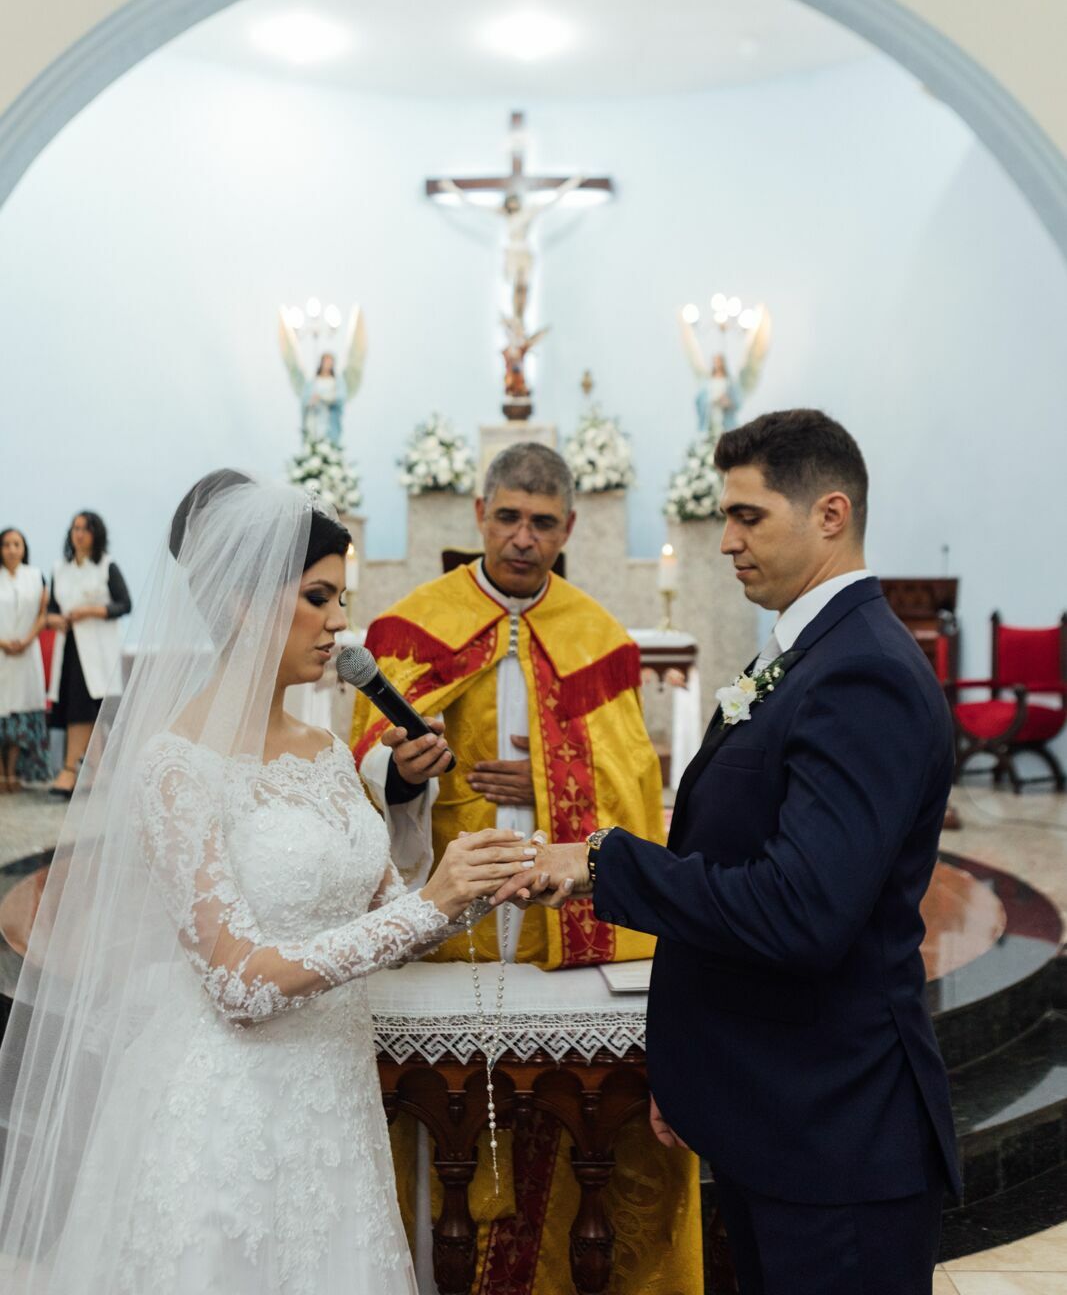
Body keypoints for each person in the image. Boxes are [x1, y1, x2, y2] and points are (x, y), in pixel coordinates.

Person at [0, 471, 535, 1294]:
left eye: (340, 599)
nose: (340, 622)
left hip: (334, 1106)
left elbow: (388, 919)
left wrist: (474, 884)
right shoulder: (176, 765)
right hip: (227, 1113)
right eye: (317, 597)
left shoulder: (326, 751)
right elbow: (239, 985)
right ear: (244, 603)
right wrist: (429, 905)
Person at [496, 410, 961, 1295]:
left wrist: (600, 864)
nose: (725, 542)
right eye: (725, 516)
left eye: (748, 517)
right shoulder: (807, 653)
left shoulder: (861, 673)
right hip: (774, 1109)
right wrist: (696, 1073)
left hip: (835, 1141)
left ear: (829, 514)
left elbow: (800, 911)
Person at [351, 442, 700, 1295]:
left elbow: (634, 784)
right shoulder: (412, 627)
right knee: (441, 1130)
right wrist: (402, 773)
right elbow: (358, 766)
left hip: (557, 937)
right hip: (448, 932)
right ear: (479, 515)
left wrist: (547, 779)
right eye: (506, 517)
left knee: (570, 1117)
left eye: (541, 523)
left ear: (568, 528)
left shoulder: (598, 638)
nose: (521, 537)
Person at [46, 511, 132, 798]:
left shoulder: (107, 566)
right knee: (75, 704)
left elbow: (124, 604)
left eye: (85, 528)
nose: (79, 534)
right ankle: (93, 770)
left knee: (87, 707)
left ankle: (70, 769)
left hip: (98, 648)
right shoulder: (60, 569)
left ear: (96, 534)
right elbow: (53, 608)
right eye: (75, 528)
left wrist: (90, 611)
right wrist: (54, 618)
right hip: (70, 645)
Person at [0, 528, 49, 789]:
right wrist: (4, 642)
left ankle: (13, 771)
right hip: (2, 651)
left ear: (24, 548)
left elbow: (43, 613)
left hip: (27, 652)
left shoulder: (35, 576)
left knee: (20, 714)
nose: (11, 549)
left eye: (16, 544)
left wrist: (27, 639)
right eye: (6, 544)